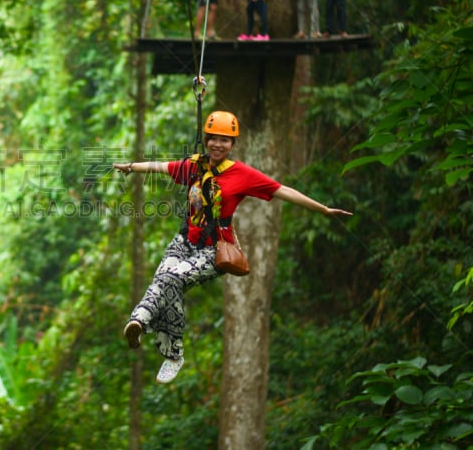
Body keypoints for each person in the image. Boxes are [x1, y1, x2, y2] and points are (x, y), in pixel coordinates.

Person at [113, 111, 353, 384]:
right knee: (162, 278)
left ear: (232, 144)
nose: (218, 144)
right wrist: (131, 167)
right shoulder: (194, 166)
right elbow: (161, 166)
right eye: (213, 139)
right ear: (206, 140)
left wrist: (321, 209)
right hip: (184, 241)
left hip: (213, 249)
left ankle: (173, 353)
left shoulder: (241, 174)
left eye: (224, 140)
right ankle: (139, 323)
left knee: (172, 278)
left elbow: (282, 190)